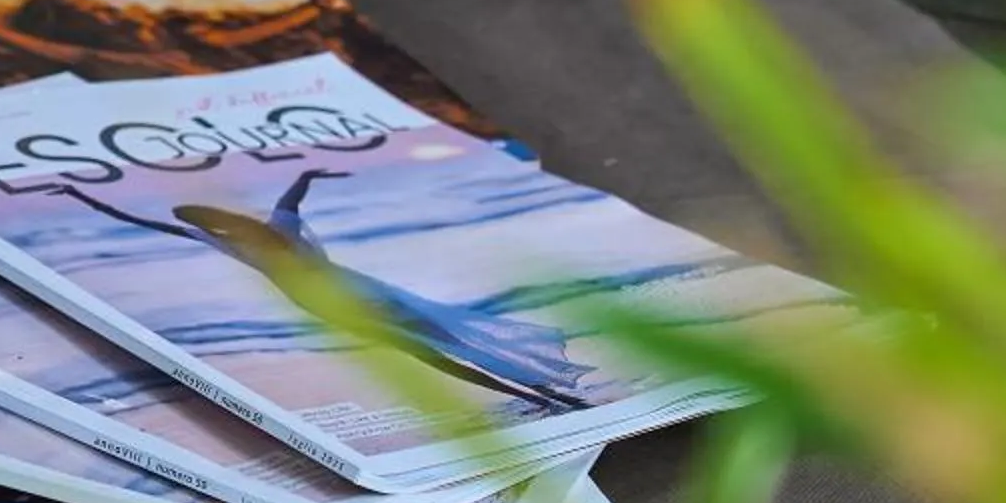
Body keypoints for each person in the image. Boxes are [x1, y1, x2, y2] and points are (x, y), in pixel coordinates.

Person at [51, 168, 598, 411]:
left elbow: (153, 224)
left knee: (433, 344)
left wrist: (83, 198)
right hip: (348, 291)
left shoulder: (250, 241)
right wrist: (82, 198)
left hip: (339, 298)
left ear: (217, 223)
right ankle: (544, 390)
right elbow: (295, 189)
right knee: (440, 336)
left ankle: (541, 391)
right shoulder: (272, 231)